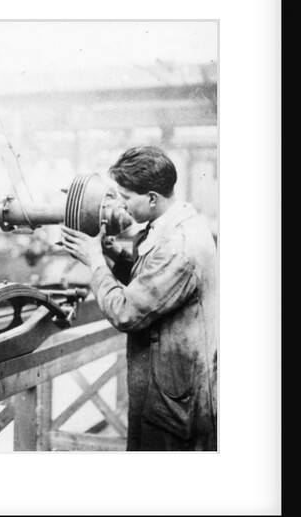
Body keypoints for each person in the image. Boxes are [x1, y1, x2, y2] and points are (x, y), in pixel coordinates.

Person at [60, 146, 218, 451]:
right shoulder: (175, 227)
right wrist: (111, 253)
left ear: (152, 198)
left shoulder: (179, 247)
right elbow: (151, 284)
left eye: (126, 197)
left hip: (177, 410)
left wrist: (95, 262)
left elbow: (126, 312)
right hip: (172, 390)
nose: (120, 204)